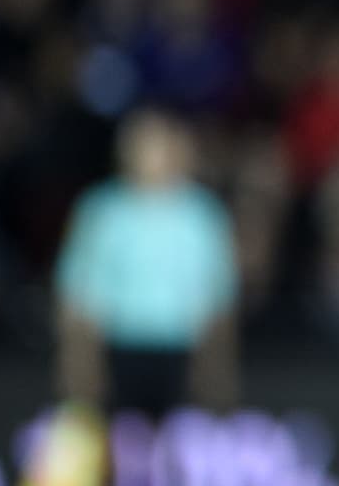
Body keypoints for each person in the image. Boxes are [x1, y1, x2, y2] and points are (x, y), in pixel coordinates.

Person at [55, 108, 240, 419]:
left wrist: (217, 368)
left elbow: (219, 294)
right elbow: (77, 290)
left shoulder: (202, 214)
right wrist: (78, 362)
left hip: (181, 352)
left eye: (160, 144)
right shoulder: (102, 209)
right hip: (117, 347)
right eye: (141, 144)